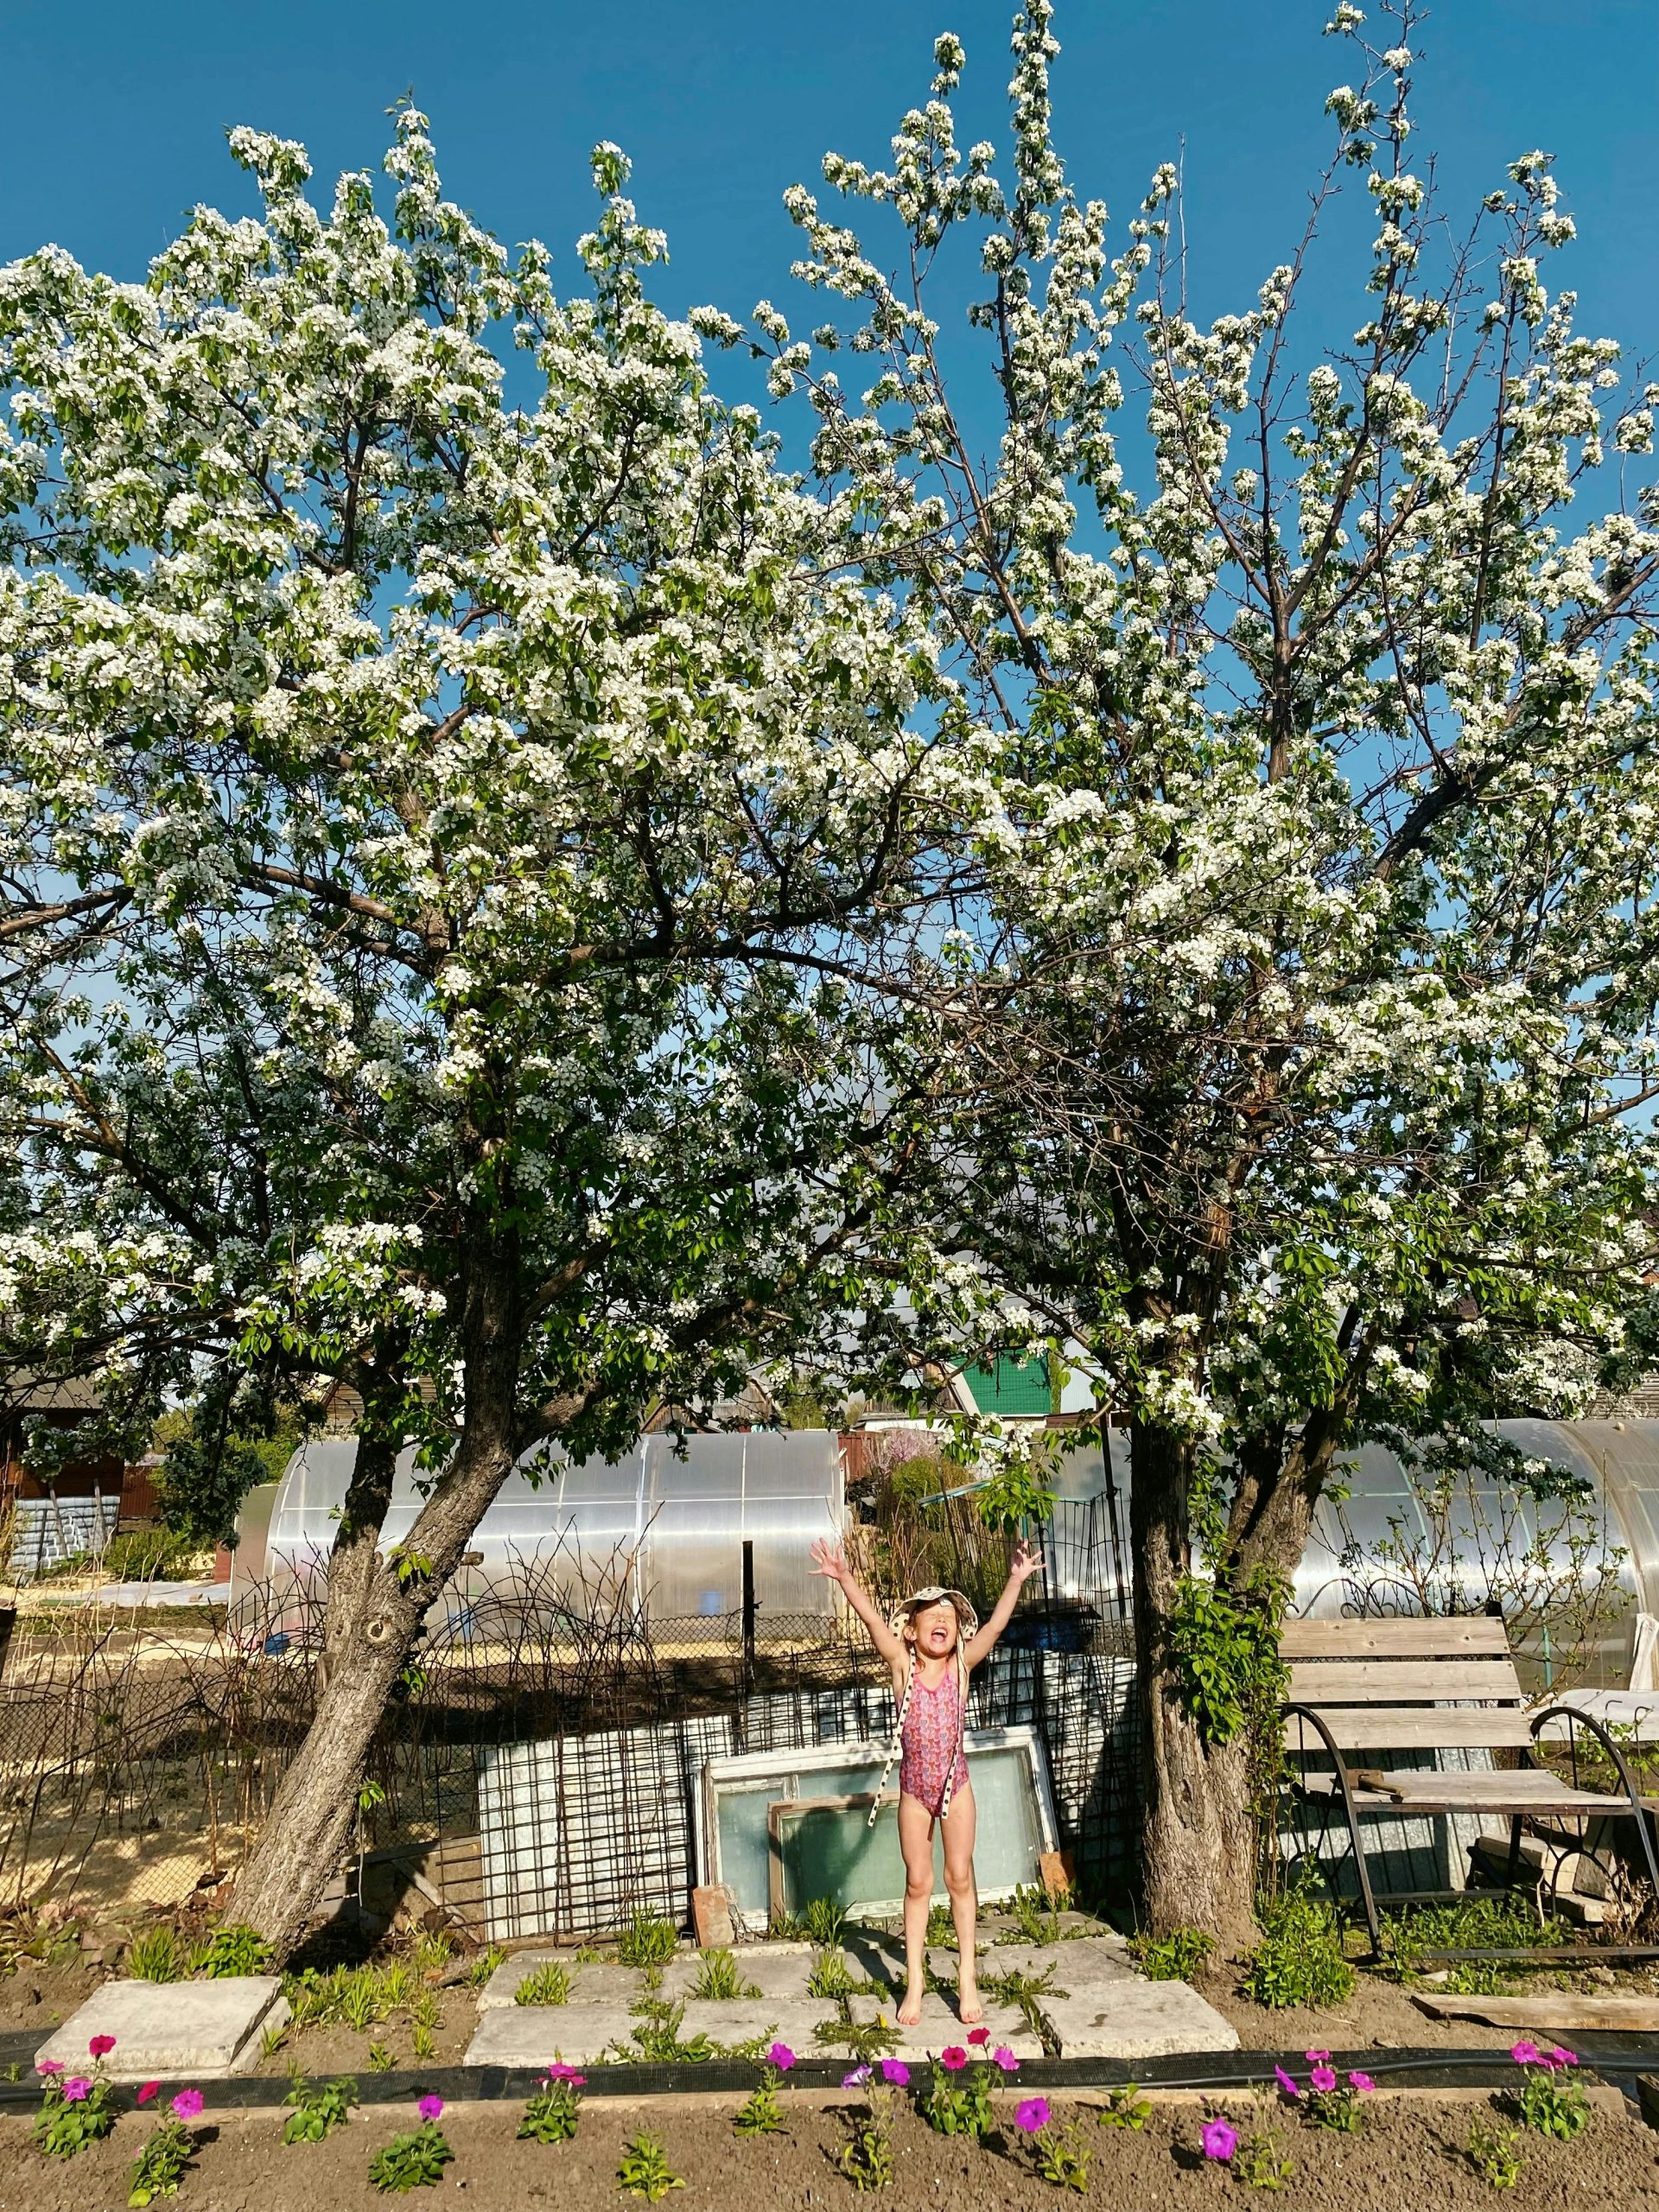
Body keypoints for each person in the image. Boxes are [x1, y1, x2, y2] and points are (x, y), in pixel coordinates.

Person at [809, 1534, 1045, 2026]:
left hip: (957, 1789)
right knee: (919, 1882)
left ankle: (966, 1980)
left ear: (958, 1632)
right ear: (911, 1631)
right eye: (930, 1614)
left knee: (960, 1878)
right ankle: (915, 1982)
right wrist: (846, 1576)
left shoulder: (963, 1666)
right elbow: (874, 1621)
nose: (941, 1619)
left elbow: (998, 1625)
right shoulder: (902, 1667)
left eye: (949, 1616)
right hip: (915, 1792)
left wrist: (1015, 1580)